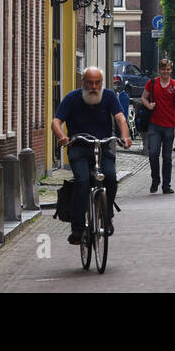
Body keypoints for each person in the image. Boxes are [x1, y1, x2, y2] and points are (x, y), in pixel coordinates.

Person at [51, 66, 132, 245]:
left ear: (102, 83)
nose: (94, 87)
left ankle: (107, 215)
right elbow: (56, 121)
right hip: (79, 147)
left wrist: (124, 137)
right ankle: (77, 228)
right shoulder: (72, 98)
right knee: (82, 181)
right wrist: (62, 137)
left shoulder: (109, 97)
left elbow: (120, 119)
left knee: (110, 177)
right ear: (83, 83)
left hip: (102, 146)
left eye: (97, 83)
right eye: (90, 83)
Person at [139, 58, 175, 194]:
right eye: (163, 69)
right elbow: (143, 98)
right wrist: (149, 105)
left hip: (169, 126)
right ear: (159, 70)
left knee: (167, 156)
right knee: (153, 154)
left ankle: (166, 185)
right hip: (154, 125)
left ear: (171, 70)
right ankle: (155, 179)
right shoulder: (152, 83)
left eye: (168, 69)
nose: (166, 71)